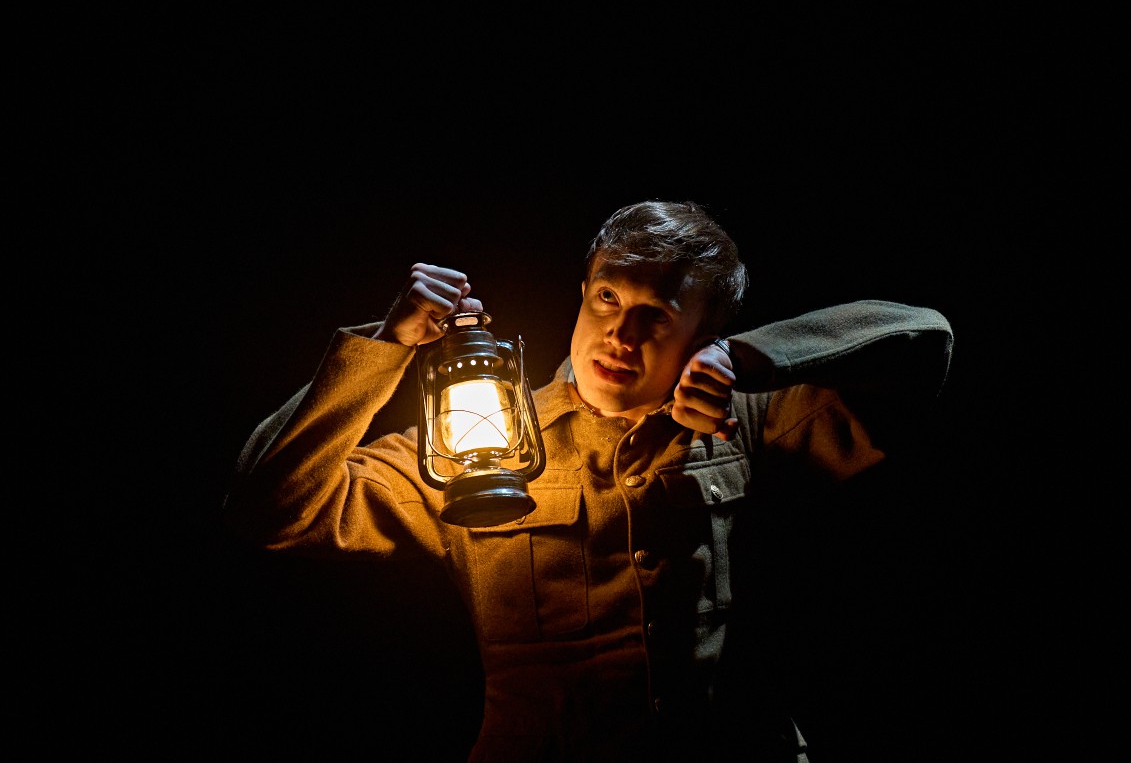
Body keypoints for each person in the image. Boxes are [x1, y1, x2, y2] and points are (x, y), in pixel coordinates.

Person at [224, 200, 954, 762]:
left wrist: (756, 359)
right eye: (608, 298)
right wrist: (384, 349)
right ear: (583, 289)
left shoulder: (751, 421)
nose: (620, 335)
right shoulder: (477, 441)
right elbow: (271, 509)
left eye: (655, 316)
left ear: (706, 330)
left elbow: (924, 341)